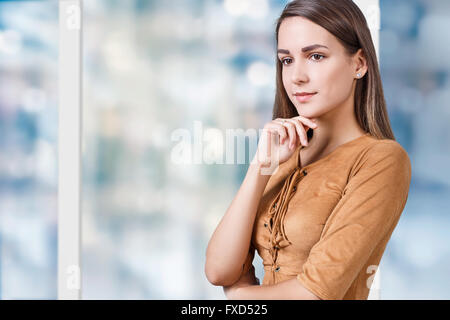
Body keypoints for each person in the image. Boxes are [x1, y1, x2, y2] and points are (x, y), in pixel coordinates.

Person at [205, 0, 411, 300]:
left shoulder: (381, 160)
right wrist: (261, 166)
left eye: (315, 56)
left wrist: (238, 295)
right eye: (286, 60)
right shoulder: (283, 154)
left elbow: (313, 294)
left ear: (360, 63)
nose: (296, 76)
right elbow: (217, 270)